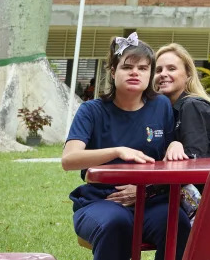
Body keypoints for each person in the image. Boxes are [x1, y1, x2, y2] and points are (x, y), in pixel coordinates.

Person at [62, 33, 190, 260]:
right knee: (116, 223)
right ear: (113, 72)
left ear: (150, 74)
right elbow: (69, 160)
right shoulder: (91, 111)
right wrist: (117, 151)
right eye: (127, 67)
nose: (135, 72)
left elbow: (169, 152)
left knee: (177, 223)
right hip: (101, 201)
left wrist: (176, 142)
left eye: (143, 68)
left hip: (150, 201)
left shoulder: (161, 106)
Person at [154, 43, 210, 159]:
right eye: (158, 70)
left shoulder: (192, 105)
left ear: (188, 75)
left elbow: (193, 160)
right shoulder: (167, 110)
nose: (163, 74)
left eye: (171, 69)